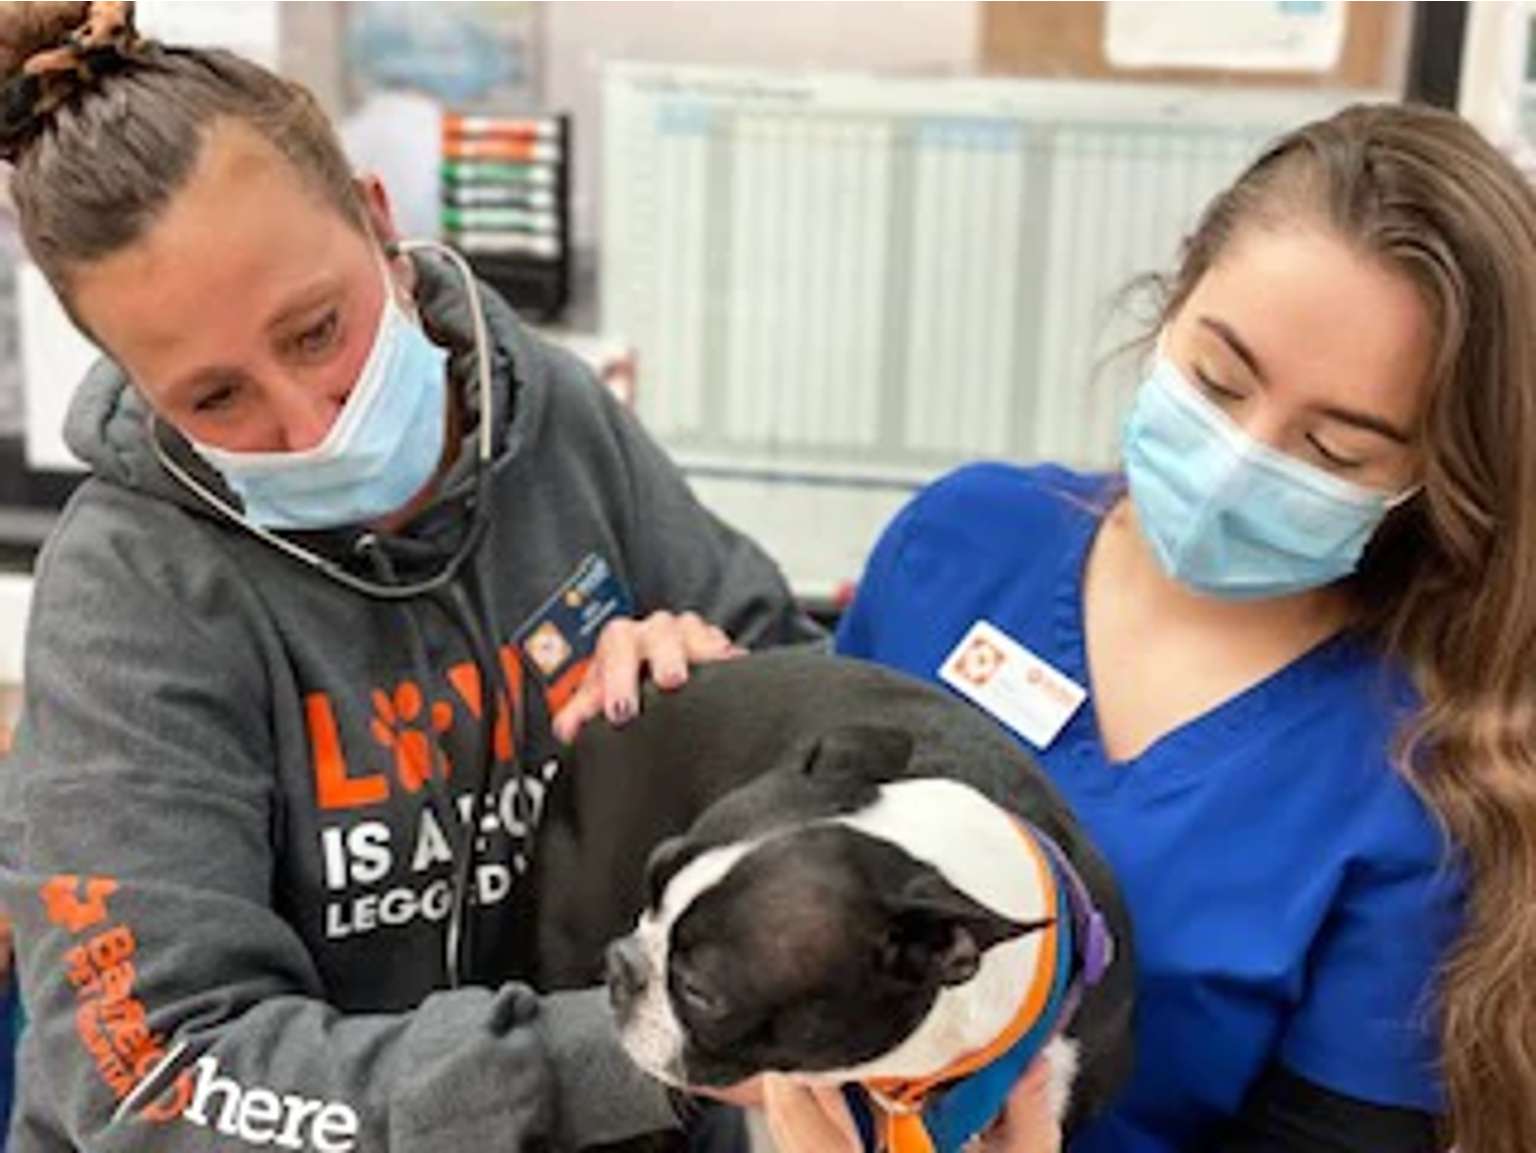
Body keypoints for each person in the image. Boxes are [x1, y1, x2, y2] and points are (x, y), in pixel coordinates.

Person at [0, 4, 820, 1151]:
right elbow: (165, 1082)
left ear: (380, 227)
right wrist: (657, 1048)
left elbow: (809, 716)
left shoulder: (540, 410)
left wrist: (725, 698)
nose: (307, 425)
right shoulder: (132, 595)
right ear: (136, 382)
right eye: (215, 397)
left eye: (316, 330)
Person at [836, 101, 1536, 1153]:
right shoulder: (962, 542)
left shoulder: (1418, 772)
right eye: (1218, 377)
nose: (1240, 458)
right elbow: (785, 850)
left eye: (1336, 451)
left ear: (1434, 479)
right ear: (1176, 292)